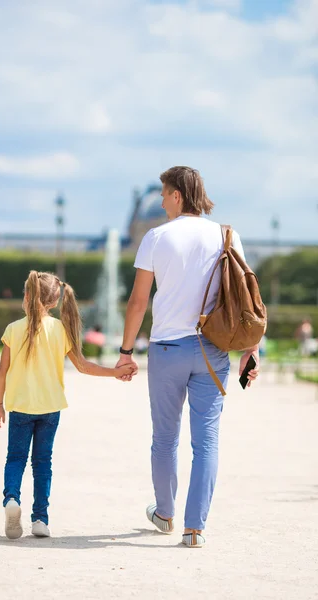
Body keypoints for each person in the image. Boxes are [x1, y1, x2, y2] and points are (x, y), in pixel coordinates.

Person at [116, 166, 259, 548]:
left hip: (166, 349)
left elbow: (138, 302)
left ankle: (164, 514)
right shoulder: (228, 235)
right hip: (213, 351)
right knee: (207, 442)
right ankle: (195, 528)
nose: (161, 201)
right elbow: (246, 300)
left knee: (164, 439)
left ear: (177, 195)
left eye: (164, 194)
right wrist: (251, 350)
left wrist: (126, 351)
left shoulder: (156, 237)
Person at [0, 270, 135, 540]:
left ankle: (11, 499)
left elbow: (2, 370)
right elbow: (83, 366)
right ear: (55, 302)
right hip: (50, 409)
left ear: (27, 295)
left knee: (16, 459)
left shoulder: (13, 329)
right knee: (42, 463)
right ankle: (40, 519)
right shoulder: (60, 331)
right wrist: (116, 373)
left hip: (20, 406)